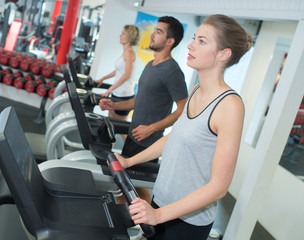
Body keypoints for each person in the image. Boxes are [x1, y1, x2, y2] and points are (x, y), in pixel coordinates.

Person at [114, 14, 252, 240]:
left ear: (223, 54)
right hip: (162, 202)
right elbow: (174, 138)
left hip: (186, 222)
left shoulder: (230, 105)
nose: (190, 45)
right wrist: (129, 161)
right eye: (195, 38)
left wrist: (159, 216)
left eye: (202, 41)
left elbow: (219, 187)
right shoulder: (197, 90)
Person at [100, 16, 188, 203]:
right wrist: (114, 105)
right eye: (154, 30)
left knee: (136, 188)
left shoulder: (172, 71)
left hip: (149, 142)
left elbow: (183, 109)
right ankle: (128, 224)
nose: (152, 34)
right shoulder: (151, 65)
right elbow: (138, 101)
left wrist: (152, 128)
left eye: (159, 32)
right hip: (134, 135)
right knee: (125, 184)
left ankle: (147, 228)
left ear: (170, 41)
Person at [94, 25, 140, 127]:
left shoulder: (129, 52)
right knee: (109, 124)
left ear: (130, 36)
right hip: (117, 92)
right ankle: (111, 143)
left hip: (124, 95)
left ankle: (129, 143)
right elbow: (118, 71)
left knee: (118, 127)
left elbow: (127, 74)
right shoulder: (125, 52)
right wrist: (102, 79)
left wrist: (110, 89)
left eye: (123, 33)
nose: (120, 35)